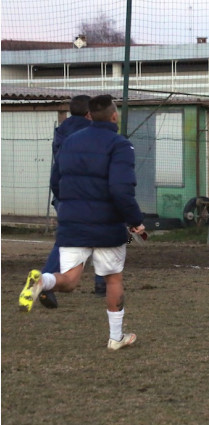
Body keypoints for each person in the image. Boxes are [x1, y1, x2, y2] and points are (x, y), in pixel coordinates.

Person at [19, 94, 146, 351]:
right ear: (113, 115)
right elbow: (121, 189)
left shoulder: (69, 141)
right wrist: (135, 221)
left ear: (90, 115)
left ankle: (42, 281)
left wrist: (67, 207)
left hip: (73, 221)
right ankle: (116, 337)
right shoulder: (120, 145)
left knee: (69, 279)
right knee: (113, 278)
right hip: (107, 224)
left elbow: (56, 181)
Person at [38, 95, 108, 309]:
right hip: (89, 195)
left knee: (70, 238)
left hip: (65, 195)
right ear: (89, 113)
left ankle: (99, 284)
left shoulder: (61, 133)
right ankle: (45, 281)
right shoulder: (92, 134)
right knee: (100, 236)